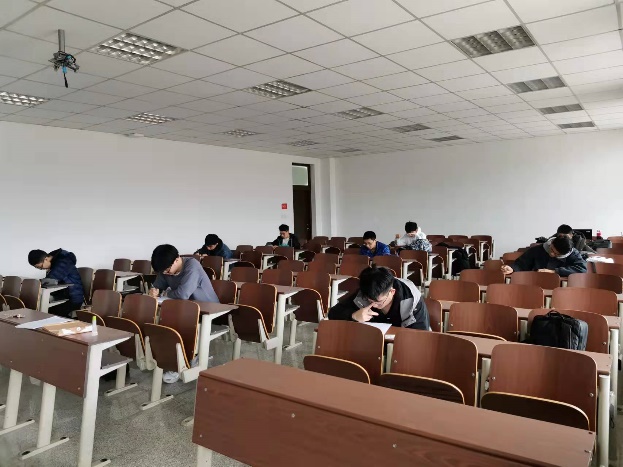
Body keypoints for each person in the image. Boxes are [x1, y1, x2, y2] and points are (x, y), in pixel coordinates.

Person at [149, 244, 219, 383]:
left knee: (180, 326)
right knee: (165, 324)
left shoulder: (192, 266)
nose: (166, 273)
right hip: (185, 308)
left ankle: (187, 360)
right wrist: (154, 291)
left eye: (167, 270)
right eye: (163, 271)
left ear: (177, 259)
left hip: (207, 309)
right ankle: (176, 359)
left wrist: (166, 293)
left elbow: (183, 294)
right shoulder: (166, 269)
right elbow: (157, 285)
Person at [328, 266, 430, 330]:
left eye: (379, 302)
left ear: (392, 292)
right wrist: (353, 316)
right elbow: (333, 313)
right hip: (374, 341)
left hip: (403, 343)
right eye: (370, 301)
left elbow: (421, 334)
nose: (374, 305)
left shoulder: (411, 299)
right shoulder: (367, 291)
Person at [28, 248, 84, 317]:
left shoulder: (63, 262)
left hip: (74, 298)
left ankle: (69, 322)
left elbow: (49, 280)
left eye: (41, 267)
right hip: (63, 295)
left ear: (46, 259)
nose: (42, 269)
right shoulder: (55, 261)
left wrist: (34, 284)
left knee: (49, 313)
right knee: (41, 306)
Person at [501, 236, 587, 277]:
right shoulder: (538, 249)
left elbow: (582, 269)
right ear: (551, 243)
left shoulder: (573, 254)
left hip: (561, 287)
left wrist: (554, 272)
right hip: (535, 282)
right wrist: (512, 268)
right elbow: (521, 263)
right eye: (552, 249)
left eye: (557, 254)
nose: (552, 254)